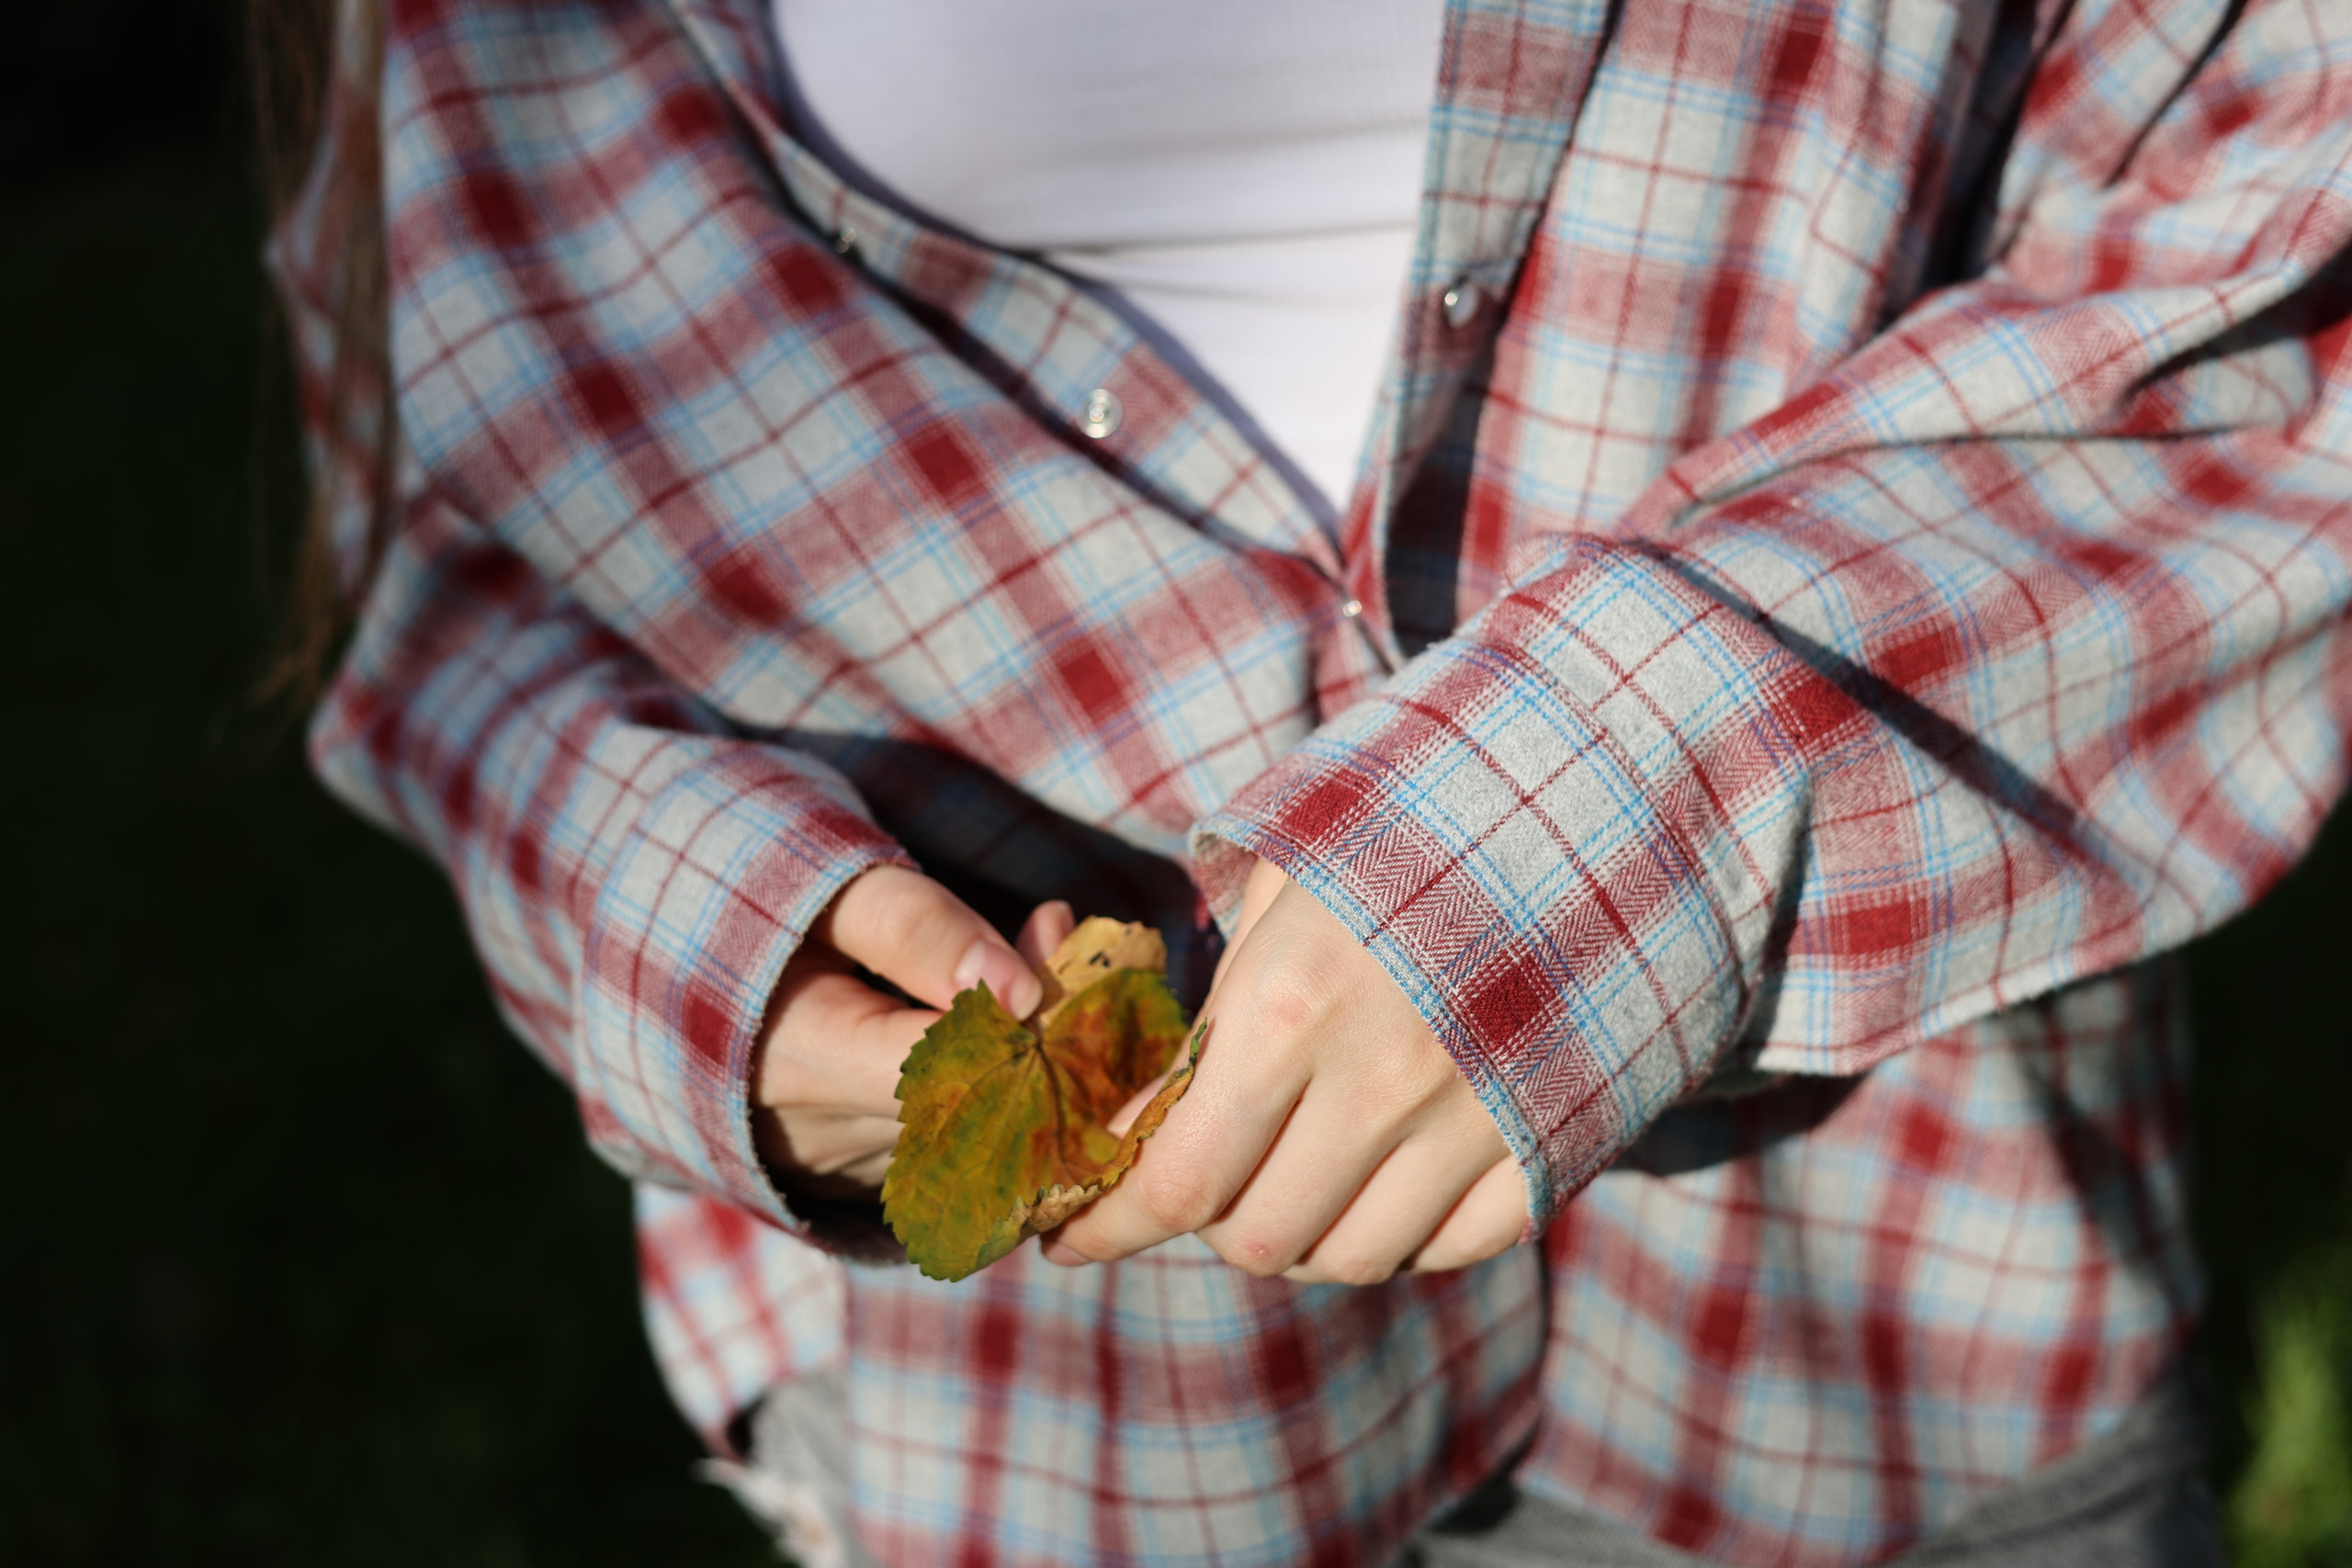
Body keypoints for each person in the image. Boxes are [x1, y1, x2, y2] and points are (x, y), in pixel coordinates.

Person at [262, 0, 2352, 1561]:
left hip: (1879, 1344)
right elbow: (431, 552)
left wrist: (1655, 781)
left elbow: (2291, 202)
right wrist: (704, 933)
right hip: (1058, 1449)